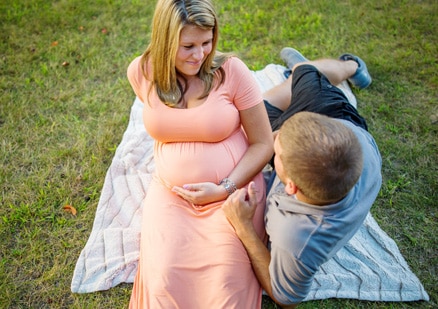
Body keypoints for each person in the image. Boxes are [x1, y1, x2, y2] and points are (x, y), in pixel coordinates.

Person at [126, 0, 273, 308]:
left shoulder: (232, 71)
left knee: (226, 283)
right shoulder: (142, 72)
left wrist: (223, 188)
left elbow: (263, 143)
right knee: (164, 278)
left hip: (231, 194)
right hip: (172, 196)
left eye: (207, 42)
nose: (200, 55)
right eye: (188, 46)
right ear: (165, 41)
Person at [222, 48, 382, 308]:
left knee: (258, 112)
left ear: (290, 186)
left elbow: (287, 298)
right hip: (332, 123)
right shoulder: (352, 152)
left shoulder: (297, 238)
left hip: (324, 132)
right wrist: (285, 135)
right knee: (304, 73)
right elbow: (284, 139)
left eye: (278, 152)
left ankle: (330, 72)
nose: (273, 145)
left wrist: (244, 227)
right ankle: (330, 69)